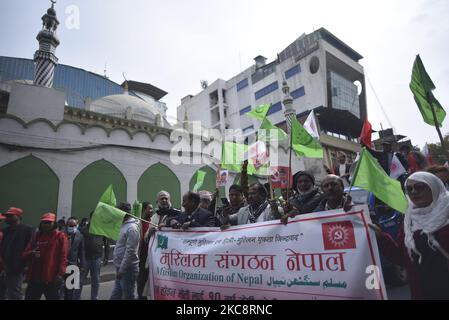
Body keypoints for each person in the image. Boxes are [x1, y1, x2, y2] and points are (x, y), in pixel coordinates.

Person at [372, 172, 449, 299]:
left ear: (433, 187)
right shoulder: (410, 220)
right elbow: (403, 258)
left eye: (419, 187)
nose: (413, 192)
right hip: (423, 292)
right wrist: (381, 237)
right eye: (409, 189)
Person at [23, 213, 68, 300]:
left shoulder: (60, 236)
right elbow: (25, 253)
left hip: (51, 277)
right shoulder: (36, 236)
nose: (46, 225)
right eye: (44, 222)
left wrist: (60, 274)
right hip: (35, 277)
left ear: (54, 223)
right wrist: (32, 253)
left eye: (49, 222)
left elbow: (63, 256)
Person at [0, 207, 35, 300]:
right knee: (2, 292)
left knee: (14, 293)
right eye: (6, 216)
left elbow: (31, 247)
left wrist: (26, 264)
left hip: (18, 266)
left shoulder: (27, 230)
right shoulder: (5, 231)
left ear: (18, 216)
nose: (7, 218)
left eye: (10, 216)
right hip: (3, 265)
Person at [110, 202, 140, 300]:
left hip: (128, 269)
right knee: (116, 294)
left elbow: (130, 252)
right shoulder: (123, 226)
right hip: (120, 267)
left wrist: (122, 270)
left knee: (128, 295)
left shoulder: (132, 228)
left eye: (118, 211)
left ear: (124, 213)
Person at [80, 211, 110, 300]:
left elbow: (107, 244)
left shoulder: (101, 229)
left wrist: (106, 257)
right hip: (85, 258)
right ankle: (76, 297)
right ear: (91, 218)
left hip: (97, 258)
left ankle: (94, 297)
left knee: (96, 280)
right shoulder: (83, 229)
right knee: (80, 280)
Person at [64, 217, 85, 300]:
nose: (72, 227)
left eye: (74, 225)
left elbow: (81, 252)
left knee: (71, 290)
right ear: (66, 225)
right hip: (61, 265)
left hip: (73, 265)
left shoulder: (80, 236)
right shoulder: (61, 234)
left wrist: (82, 265)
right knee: (60, 289)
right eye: (70, 225)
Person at [137, 202, 153, 300]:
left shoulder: (153, 221)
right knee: (141, 280)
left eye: (152, 208)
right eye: (150, 208)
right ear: (144, 210)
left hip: (151, 257)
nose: (152, 210)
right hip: (142, 257)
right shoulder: (139, 223)